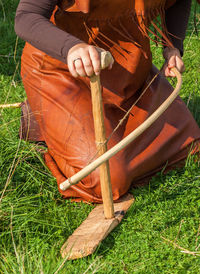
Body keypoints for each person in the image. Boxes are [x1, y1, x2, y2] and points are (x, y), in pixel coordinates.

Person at [15, 0, 200, 203]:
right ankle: (43, 115)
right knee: (108, 182)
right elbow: (26, 16)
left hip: (130, 71)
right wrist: (72, 47)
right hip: (64, 71)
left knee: (190, 145)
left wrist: (173, 46)